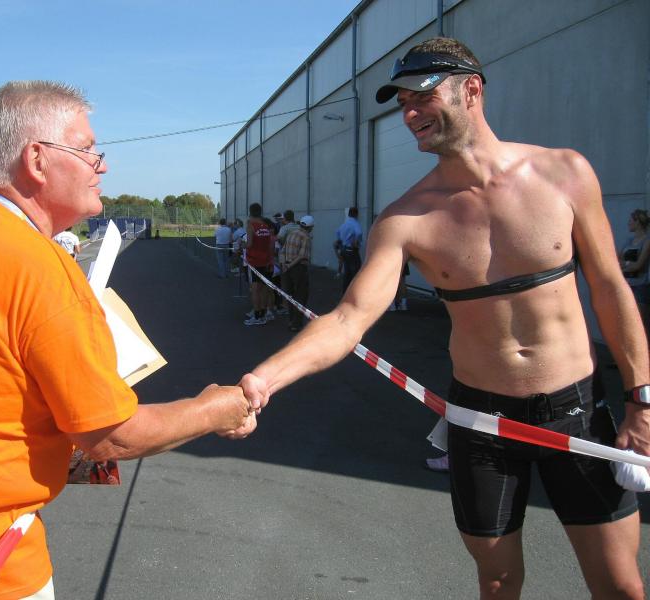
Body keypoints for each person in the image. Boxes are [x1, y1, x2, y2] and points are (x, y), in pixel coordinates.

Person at [240, 38, 648, 599]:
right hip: (479, 421)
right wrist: (263, 379)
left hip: (576, 410)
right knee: (497, 583)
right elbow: (348, 319)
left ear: (471, 89)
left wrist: (641, 400)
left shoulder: (565, 173)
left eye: (422, 97)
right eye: (403, 104)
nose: (409, 115)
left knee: (621, 587)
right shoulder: (405, 218)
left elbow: (610, 289)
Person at [0, 81, 257, 600]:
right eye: (88, 149)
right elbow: (111, 437)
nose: (101, 165)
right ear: (37, 160)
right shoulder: (37, 266)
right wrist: (217, 408)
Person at [281, 215, 314, 332]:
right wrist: (290, 265)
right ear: (310, 227)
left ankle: (291, 321)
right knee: (301, 295)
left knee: (289, 295)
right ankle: (296, 323)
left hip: (286, 267)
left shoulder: (291, 234)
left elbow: (283, 251)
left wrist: (284, 265)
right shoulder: (306, 237)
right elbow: (301, 256)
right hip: (298, 268)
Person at [243, 203, 274, 326]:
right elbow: (269, 245)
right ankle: (263, 314)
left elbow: (249, 244)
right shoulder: (265, 225)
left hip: (254, 261)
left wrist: (241, 244)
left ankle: (257, 316)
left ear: (250, 212)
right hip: (265, 261)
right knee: (263, 289)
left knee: (255, 289)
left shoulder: (251, 225)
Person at [619, 209, 650, 334]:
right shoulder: (629, 241)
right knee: (627, 323)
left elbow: (638, 265)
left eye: (631, 220)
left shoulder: (647, 241)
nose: (628, 223)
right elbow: (618, 259)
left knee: (641, 324)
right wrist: (627, 265)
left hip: (640, 287)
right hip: (627, 285)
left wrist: (625, 264)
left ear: (638, 222)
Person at [335, 206, 363, 292]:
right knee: (356, 272)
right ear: (356, 214)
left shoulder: (344, 224)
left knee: (347, 273)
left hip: (344, 249)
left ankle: (345, 293)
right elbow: (359, 233)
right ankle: (355, 292)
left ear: (349, 214)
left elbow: (337, 232)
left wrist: (341, 240)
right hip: (352, 251)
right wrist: (356, 241)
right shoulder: (355, 223)